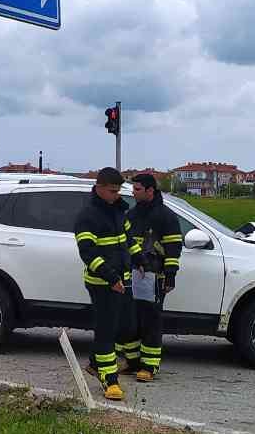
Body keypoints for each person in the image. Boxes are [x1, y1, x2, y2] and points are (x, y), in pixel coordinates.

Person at [72, 167, 131, 401]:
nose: (116, 195)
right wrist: (111, 277)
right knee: (106, 329)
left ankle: (96, 363)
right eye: (112, 191)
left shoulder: (117, 211)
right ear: (98, 188)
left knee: (117, 325)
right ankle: (110, 379)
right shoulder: (87, 216)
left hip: (119, 279)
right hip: (101, 281)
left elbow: (126, 242)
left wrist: (139, 261)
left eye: (118, 191)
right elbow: (88, 252)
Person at [121, 173, 182, 381]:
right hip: (132, 275)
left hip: (154, 276)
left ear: (150, 191)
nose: (133, 192)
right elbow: (125, 244)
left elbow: (173, 248)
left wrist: (170, 275)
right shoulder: (131, 215)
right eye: (133, 189)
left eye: (137, 189)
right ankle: (132, 362)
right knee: (129, 320)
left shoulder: (165, 216)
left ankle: (149, 366)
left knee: (151, 321)